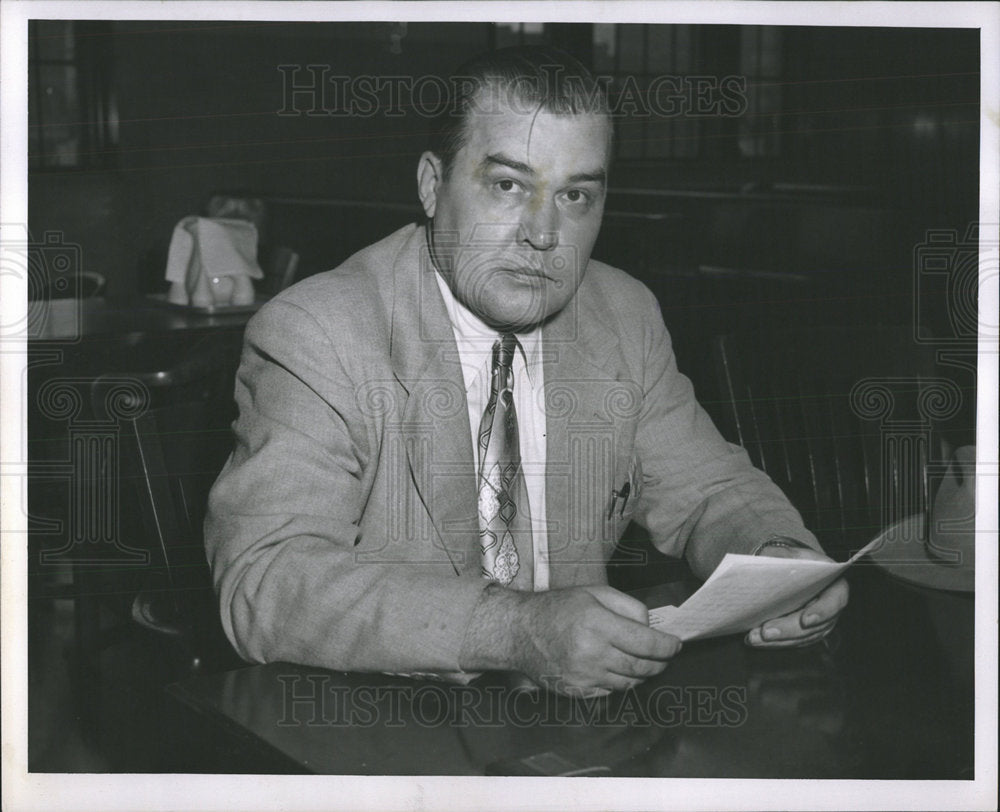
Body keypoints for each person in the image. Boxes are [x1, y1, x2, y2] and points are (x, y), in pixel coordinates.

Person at [204, 46, 848, 697]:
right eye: (508, 185)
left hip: (576, 730)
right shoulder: (322, 332)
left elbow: (708, 487)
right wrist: (515, 632)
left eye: (575, 195)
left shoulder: (623, 314)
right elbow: (267, 583)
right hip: (390, 730)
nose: (542, 233)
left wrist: (776, 563)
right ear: (432, 185)